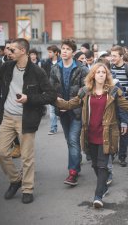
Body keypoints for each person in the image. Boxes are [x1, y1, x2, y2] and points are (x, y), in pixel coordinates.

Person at [55, 62, 128, 208]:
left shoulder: (113, 92)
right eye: (98, 72)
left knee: (103, 166)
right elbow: (70, 104)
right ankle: (103, 186)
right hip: (90, 134)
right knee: (95, 165)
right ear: (93, 75)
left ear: (107, 75)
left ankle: (98, 196)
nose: (101, 75)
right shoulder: (85, 91)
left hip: (107, 135)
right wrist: (55, 101)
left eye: (103, 72)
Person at [0, 38, 56, 204]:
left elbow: (50, 95)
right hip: (7, 116)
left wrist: (28, 98)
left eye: (13, 50)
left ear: (23, 51)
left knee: (27, 157)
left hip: (26, 119)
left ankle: (27, 189)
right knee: (1, 153)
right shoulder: (7, 67)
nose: (9, 52)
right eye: (8, 50)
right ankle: (15, 180)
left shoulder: (37, 72)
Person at [50, 39, 89, 186]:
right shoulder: (55, 68)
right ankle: (76, 163)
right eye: (63, 49)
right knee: (70, 141)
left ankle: (72, 172)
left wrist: (71, 104)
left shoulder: (81, 68)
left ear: (73, 51)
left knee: (73, 140)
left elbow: (86, 88)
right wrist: (59, 104)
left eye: (67, 49)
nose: (64, 51)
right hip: (62, 111)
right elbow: (51, 89)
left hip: (77, 110)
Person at [42, 45, 61, 135]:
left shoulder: (62, 62)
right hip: (51, 90)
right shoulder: (46, 63)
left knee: (63, 108)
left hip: (61, 90)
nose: (48, 54)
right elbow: (44, 77)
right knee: (52, 110)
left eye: (50, 52)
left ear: (56, 53)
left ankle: (66, 126)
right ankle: (53, 128)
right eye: (48, 52)